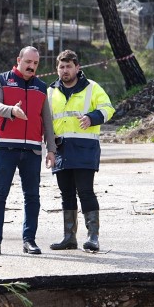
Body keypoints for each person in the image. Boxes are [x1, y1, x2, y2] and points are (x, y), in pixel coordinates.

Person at [0, 46, 56, 256]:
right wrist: (12, 111)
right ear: (18, 60)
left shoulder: (41, 87)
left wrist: (51, 149)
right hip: (5, 147)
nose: (31, 66)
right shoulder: (1, 80)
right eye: (28, 62)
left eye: (35, 63)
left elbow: (47, 121)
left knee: (32, 196)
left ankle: (29, 241)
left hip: (32, 150)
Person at [48, 50, 115, 252]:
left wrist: (91, 118)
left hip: (85, 148)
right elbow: (46, 122)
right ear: (57, 69)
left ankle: (93, 237)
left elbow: (108, 109)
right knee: (66, 194)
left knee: (85, 192)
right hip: (61, 150)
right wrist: (49, 148)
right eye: (61, 67)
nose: (65, 70)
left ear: (77, 68)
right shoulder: (51, 91)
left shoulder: (92, 87)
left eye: (69, 66)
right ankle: (69, 237)